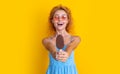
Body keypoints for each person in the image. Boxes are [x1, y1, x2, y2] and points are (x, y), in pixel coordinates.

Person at [42, 5, 81, 74]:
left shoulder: (75, 39)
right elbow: (51, 46)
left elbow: (71, 46)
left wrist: (67, 53)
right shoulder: (47, 40)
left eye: (63, 17)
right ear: (52, 20)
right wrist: (55, 53)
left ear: (67, 20)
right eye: (56, 17)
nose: (60, 19)